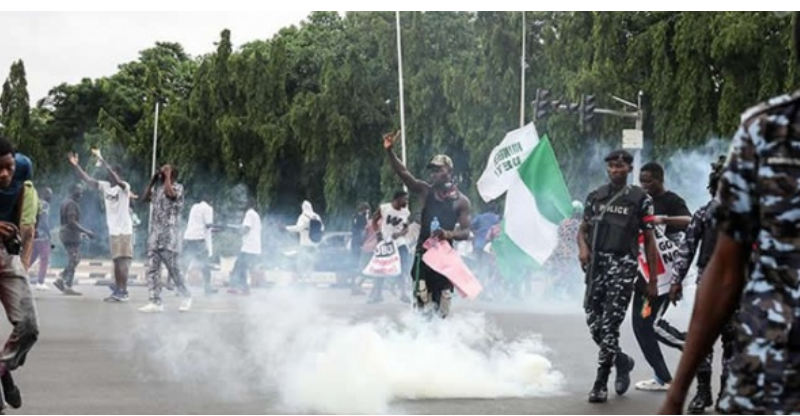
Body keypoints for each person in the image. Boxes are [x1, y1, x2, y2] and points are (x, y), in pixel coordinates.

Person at [660, 14, 800, 414]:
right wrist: (676, 394)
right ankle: (707, 393)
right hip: (771, 368)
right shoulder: (767, 132)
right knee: (722, 353)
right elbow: (720, 265)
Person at [578, 149, 659, 403]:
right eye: (612, 166)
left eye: (620, 167)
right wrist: (583, 248)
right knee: (594, 324)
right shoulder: (595, 196)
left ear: (629, 169)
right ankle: (622, 361)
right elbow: (583, 229)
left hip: (623, 266)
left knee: (610, 324)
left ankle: (601, 382)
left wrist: (653, 280)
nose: (615, 170)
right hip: (597, 267)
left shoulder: (640, 199)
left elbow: (649, 239)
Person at [383, 130, 471, 318]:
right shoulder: (425, 191)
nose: (434, 174)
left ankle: (441, 338)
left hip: (445, 256)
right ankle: (422, 337)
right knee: (422, 295)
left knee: (444, 301)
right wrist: (390, 150)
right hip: (423, 252)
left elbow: (466, 232)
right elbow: (403, 172)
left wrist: (447, 234)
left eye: (439, 170)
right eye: (432, 170)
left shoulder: (461, 201)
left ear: (449, 171)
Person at [667, 155, 728, 414]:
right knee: (703, 340)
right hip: (709, 284)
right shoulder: (704, 213)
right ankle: (703, 392)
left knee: (734, 342)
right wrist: (676, 281)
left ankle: (727, 393)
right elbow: (687, 249)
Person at [631, 161, 692, 392]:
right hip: (643, 273)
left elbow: (690, 222)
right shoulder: (640, 201)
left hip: (665, 275)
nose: (644, 185)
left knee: (649, 324)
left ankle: (688, 343)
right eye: (642, 180)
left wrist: (663, 219)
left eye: (649, 180)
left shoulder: (672, 201)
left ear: (660, 178)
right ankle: (662, 377)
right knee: (640, 326)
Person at [0, 140, 39, 411]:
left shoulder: (23, 167)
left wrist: (15, 235)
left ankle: (3, 369)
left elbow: (19, 196)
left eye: (8, 167)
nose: (4, 174)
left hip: (4, 253)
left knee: (29, 326)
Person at [67, 150, 135, 302]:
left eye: (113, 173)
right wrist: (76, 166)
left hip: (124, 230)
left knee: (122, 260)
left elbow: (118, 181)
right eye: (110, 172)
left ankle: (123, 291)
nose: (110, 174)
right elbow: (88, 179)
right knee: (117, 261)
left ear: (118, 174)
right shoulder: (105, 187)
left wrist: (104, 162)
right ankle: (118, 289)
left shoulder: (125, 187)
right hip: (114, 230)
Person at [138, 164, 192, 313]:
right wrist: (152, 181)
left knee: (174, 270)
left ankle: (186, 296)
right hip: (155, 236)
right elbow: (144, 199)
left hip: (170, 237)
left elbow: (171, 195)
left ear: (172, 173)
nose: (162, 170)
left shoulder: (177, 187)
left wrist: (167, 176)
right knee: (152, 270)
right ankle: (155, 301)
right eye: (162, 169)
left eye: (166, 169)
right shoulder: (159, 189)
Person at [367, 191, 412, 304]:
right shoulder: (384, 208)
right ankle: (377, 294)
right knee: (381, 268)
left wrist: (400, 234)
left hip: (400, 242)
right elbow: (374, 220)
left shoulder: (405, 212)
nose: (406, 202)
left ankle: (403, 293)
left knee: (403, 266)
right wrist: (378, 233)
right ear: (397, 199)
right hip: (386, 241)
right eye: (404, 199)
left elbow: (406, 228)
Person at [54, 184, 94, 296]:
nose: (81, 193)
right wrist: (86, 231)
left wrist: (81, 233)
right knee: (74, 258)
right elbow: (71, 221)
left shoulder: (66, 201)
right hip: (69, 235)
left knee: (75, 259)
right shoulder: (71, 204)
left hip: (68, 234)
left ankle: (61, 278)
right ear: (72, 191)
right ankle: (67, 284)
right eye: (79, 190)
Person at [182, 191, 217, 295]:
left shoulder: (194, 207)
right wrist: (218, 227)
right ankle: (207, 288)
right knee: (205, 264)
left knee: (185, 263)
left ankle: (180, 288)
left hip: (188, 237)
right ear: (210, 201)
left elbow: (198, 223)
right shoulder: (208, 208)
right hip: (198, 239)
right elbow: (208, 225)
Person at [228, 198, 262, 295]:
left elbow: (246, 229)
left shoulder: (249, 213)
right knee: (239, 267)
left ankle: (244, 289)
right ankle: (237, 287)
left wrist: (237, 231)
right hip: (252, 247)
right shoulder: (255, 215)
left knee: (240, 267)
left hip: (249, 247)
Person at [286, 200, 323, 281]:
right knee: (311, 263)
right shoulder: (317, 216)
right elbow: (322, 228)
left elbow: (298, 228)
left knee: (301, 263)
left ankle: (302, 280)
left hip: (304, 245)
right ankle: (310, 279)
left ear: (303, 207)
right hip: (314, 245)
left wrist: (286, 228)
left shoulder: (303, 217)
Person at [29, 186, 53, 290]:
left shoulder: (35, 202)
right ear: (43, 194)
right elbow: (43, 219)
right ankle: (40, 282)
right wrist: (49, 233)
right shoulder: (45, 204)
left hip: (34, 235)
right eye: (49, 194)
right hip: (42, 236)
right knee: (44, 259)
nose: (50, 196)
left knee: (31, 258)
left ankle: (19, 277)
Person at [18, 180, 38, 271]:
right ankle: (23, 277)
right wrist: (35, 227)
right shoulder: (35, 191)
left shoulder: (19, 189)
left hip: (20, 225)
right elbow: (39, 211)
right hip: (31, 226)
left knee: (13, 253)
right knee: (26, 256)